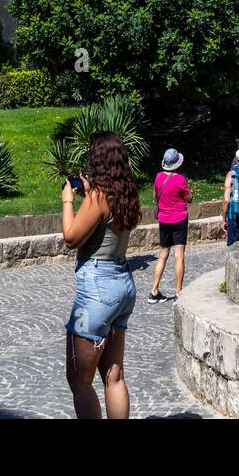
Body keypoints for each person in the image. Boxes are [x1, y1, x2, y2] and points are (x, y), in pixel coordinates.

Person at [62, 131, 142, 419]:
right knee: (114, 375)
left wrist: (68, 201)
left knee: (79, 380)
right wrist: (88, 196)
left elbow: (71, 238)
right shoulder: (127, 192)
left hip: (96, 290)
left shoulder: (97, 197)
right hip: (122, 283)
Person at [148, 148, 191, 303]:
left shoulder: (158, 177)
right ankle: (179, 291)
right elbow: (189, 199)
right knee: (179, 255)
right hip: (179, 218)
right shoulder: (180, 179)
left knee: (163, 254)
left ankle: (154, 291)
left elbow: (155, 196)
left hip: (164, 220)